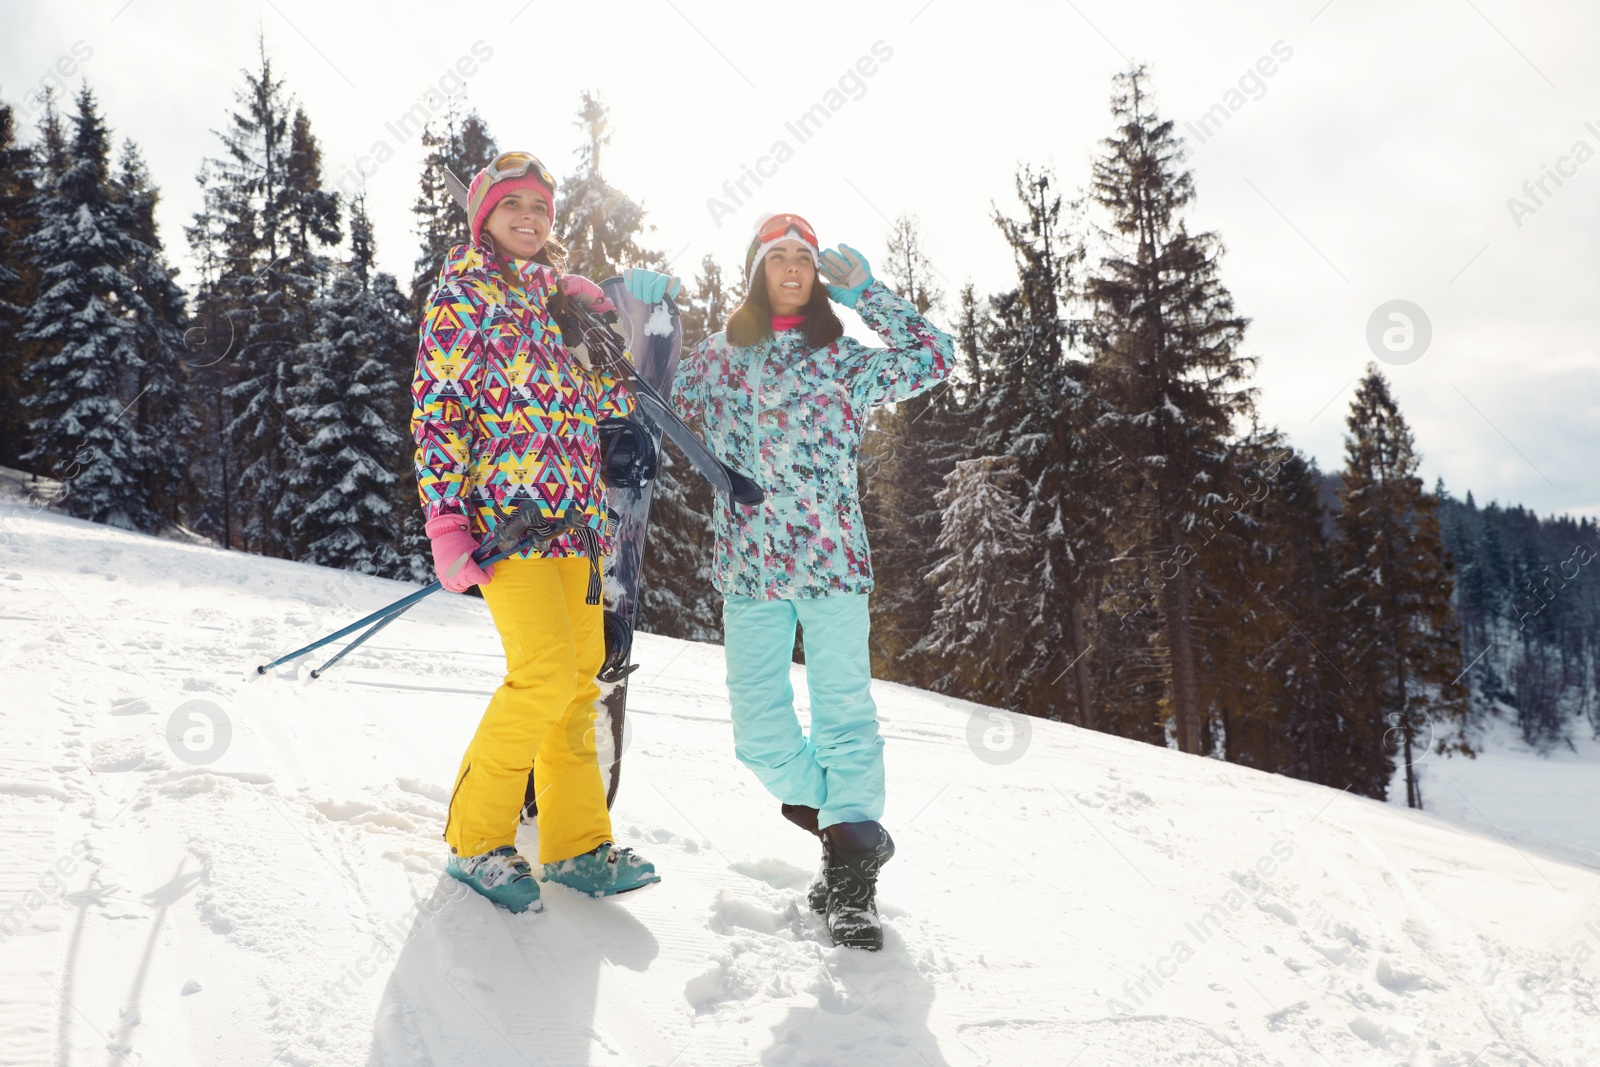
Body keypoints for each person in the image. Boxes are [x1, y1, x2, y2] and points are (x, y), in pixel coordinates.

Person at [633, 212, 953, 949]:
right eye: (776, 254)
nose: (791, 265)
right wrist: (650, 319)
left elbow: (938, 356)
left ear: (815, 275)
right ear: (755, 269)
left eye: (802, 256)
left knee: (846, 716)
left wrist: (871, 295)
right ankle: (852, 831)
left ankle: (850, 881)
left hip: (835, 564)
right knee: (761, 736)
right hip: (750, 569)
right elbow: (644, 396)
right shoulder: (717, 359)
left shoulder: (841, 356)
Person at [410, 151, 661, 913]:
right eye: (514, 203)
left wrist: (599, 329)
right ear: (484, 214)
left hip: (574, 522)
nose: (530, 217)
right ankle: (475, 839)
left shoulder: (557, 301)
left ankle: (577, 845)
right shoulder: (462, 294)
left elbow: (604, 392)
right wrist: (446, 519)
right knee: (544, 672)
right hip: (508, 521)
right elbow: (438, 410)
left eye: (542, 209)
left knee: (581, 678)